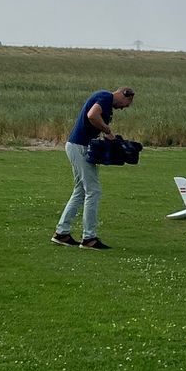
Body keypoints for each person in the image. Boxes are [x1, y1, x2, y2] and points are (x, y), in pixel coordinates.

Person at [53, 85, 135, 250]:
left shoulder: (105, 100)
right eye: (126, 104)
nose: (123, 108)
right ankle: (89, 238)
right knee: (93, 191)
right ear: (124, 94)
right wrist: (107, 130)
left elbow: (93, 119)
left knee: (80, 191)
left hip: (76, 146)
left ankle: (62, 233)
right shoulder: (105, 97)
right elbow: (92, 115)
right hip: (80, 147)